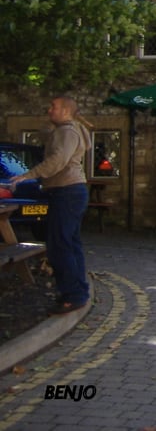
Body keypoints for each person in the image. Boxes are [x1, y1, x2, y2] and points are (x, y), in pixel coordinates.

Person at [9, 96, 92, 315]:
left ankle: (72, 296)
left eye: (53, 107)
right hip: (72, 192)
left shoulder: (67, 132)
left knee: (59, 246)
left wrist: (28, 175)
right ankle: (78, 293)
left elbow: (57, 160)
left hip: (66, 192)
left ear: (65, 110)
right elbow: (46, 133)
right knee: (70, 245)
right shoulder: (70, 129)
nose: (49, 109)